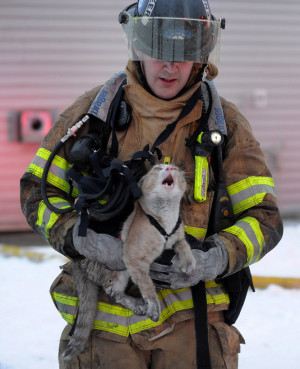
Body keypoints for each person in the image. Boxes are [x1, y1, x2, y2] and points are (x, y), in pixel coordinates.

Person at [20, 0, 283, 368]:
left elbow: (264, 218)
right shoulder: (95, 113)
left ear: (202, 54)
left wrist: (214, 258)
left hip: (191, 329)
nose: (170, 65)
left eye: (184, 51)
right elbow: (38, 191)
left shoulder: (226, 126)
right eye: (159, 48)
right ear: (139, 45)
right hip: (103, 330)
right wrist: (78, 238)